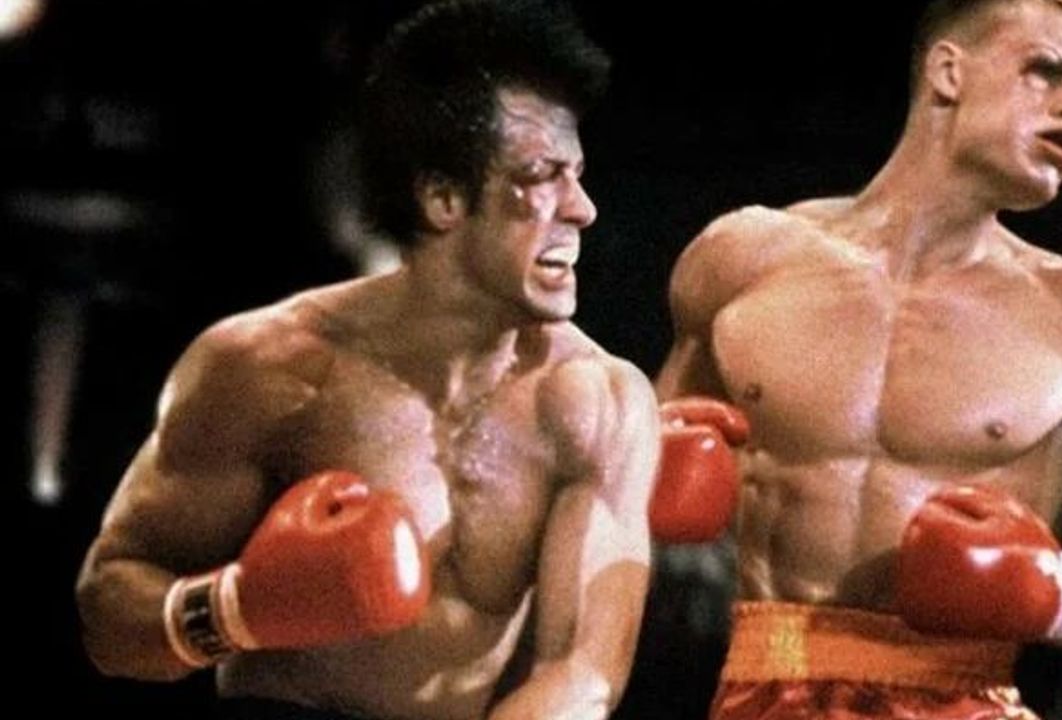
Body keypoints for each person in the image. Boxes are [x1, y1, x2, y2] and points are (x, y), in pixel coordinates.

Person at [75, 2, 660, 718]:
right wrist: (235, 609)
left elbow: (581, 675)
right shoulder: (271, 369)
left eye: (579, 175)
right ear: (443, 198)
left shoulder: (595, 403)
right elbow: (108, 616)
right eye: (543, 175)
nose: (582, 209)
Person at [650, 0, 1062, 717]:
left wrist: (1057, 590)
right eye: (1047, 72)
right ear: (949, 71)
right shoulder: (741, 261)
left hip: (961, 699)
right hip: (761, 692)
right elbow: (625, 509)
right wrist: (648, 476)